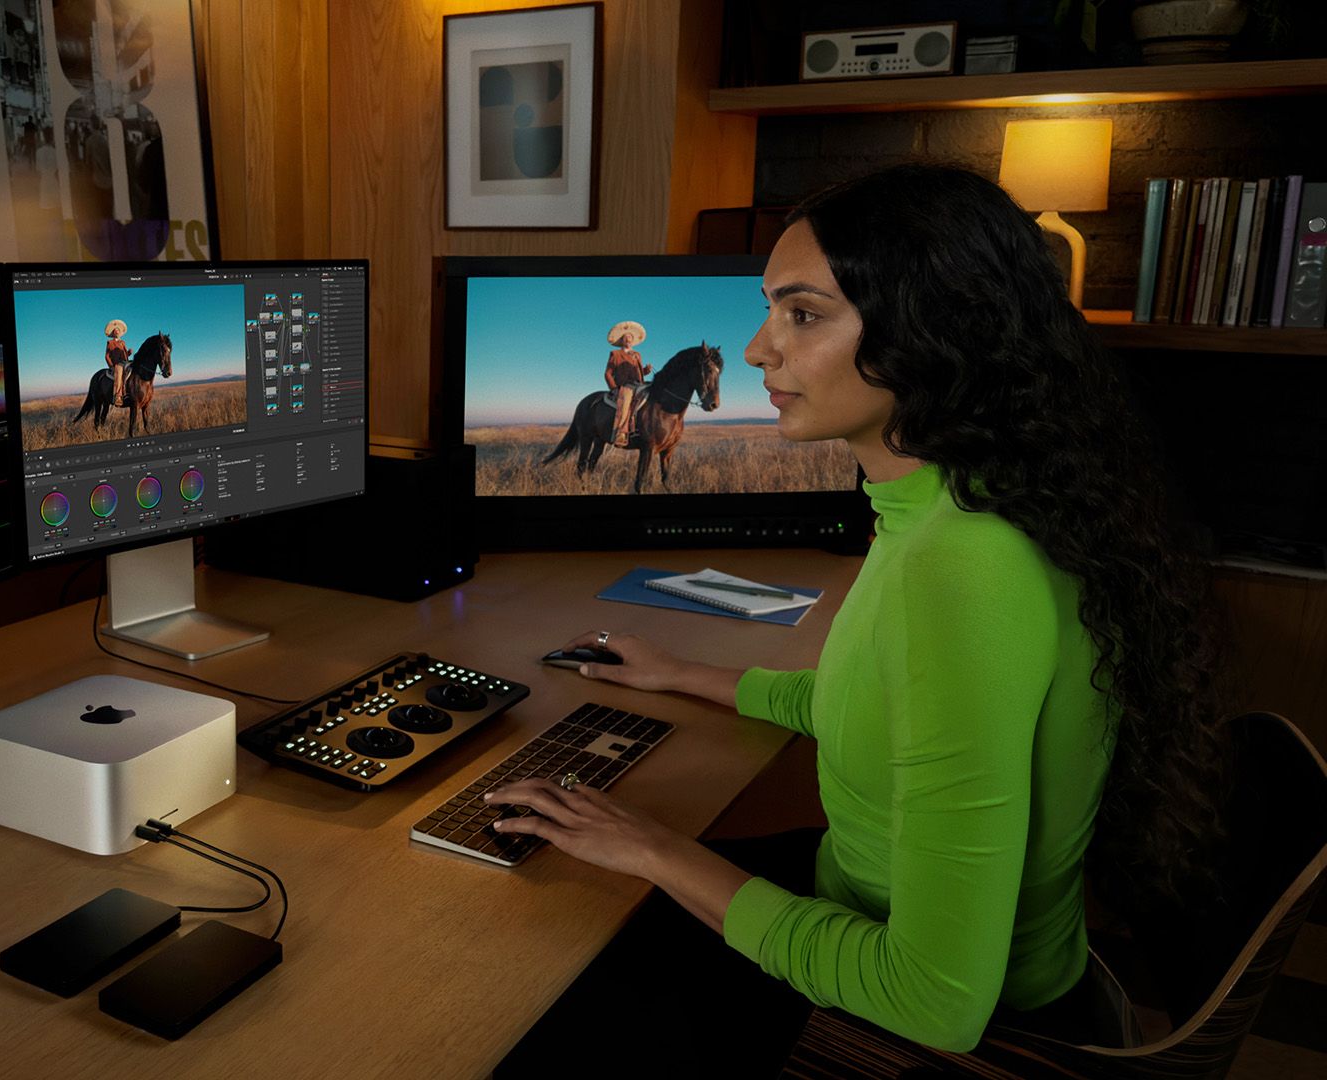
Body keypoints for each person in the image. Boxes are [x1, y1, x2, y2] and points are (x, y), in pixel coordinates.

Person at [488, 164, 1232, 1076]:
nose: (760, 351)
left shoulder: (960, 568)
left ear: (933, 329)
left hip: (932, 1019)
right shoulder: (956, 501)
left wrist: (649, 844)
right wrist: (682, 674)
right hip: (877, 903)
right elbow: (883, 712)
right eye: (771, 311)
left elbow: (933, 1000)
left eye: (803, 314)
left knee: (526, 996)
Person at [604, 320, 651, 447]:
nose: (628, 339)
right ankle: (621, 433)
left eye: (630, 337)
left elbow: (639, 373)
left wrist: (646, 370)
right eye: (626, 337)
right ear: (622, 340)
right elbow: (608, 373)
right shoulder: (616, 354)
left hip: (639, 384)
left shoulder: (637, 355)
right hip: (625, 385)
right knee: (626, 399)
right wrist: (614, 388)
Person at [104, 319, 130, 407]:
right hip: (117, 363)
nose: (117, 331)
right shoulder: (110, 343)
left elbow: (125, 354)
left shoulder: (123, 342)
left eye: (118, 330)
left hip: (125, 361)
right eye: (115, 330)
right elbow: (107, 356)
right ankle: (118, 396)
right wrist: (111, 366)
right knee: (119, 371)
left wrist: (128, 353)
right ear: (113, 333)